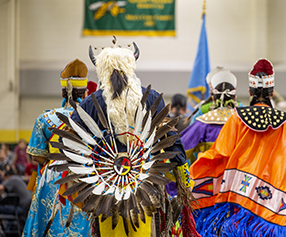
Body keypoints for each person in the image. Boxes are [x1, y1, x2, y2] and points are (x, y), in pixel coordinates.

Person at [190, 59, 286, 237]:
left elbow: (219, 154)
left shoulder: (237, 119)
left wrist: (192, 174)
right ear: (272, 92)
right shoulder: (282, 123)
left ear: (250, 91)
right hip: (271, 207)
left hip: (239, 204)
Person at [71, 38, 195, 237]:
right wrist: (183, 179)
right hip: (146, 184)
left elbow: (74, 140)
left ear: (102, 69)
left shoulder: (89, 104)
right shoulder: (151, 97)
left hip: (104, 185)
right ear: (132, 67)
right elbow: (172, 140)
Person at [23, 59, 91, 237]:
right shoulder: (92, 121)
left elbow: (36, 157)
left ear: (63, 93)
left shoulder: (44, 119)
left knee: (49, 225)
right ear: (85, 94)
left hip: (52, 177)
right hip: (83, 176)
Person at [181, 70, 238, 166]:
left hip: (206, 178)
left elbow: (181, 150)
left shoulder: (202, 121)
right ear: (235, 98)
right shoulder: (244, 122)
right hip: (238, 179)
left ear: (213, 98)